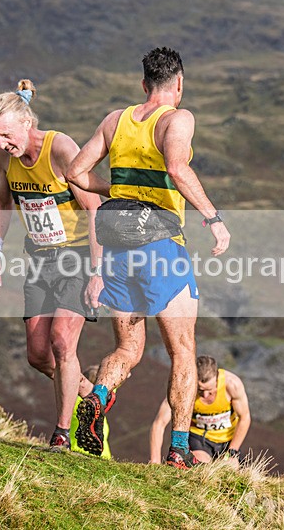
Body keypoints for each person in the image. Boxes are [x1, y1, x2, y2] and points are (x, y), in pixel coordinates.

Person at [64, 47, 231, 468]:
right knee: (183, 351)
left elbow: (75, 173)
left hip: (118, 246)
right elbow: (177, 167)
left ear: (143, 85)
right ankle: (178, 448)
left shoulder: (115, 120)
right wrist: (213, 218)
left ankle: (98, 398)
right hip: (160, 245)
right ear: (178, 83)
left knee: (128, 348)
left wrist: (119, 191)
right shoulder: (178, 118)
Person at [0, 79, 105, 450]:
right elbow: (3, 203)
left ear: (26, 123)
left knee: (62, 342)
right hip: (39, 257)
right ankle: (91, 396)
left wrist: (98, 272)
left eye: (5, 135)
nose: (2, 145)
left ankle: (62, 436)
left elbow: (94, 208)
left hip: (78, 254)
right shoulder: (6, 158)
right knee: (39, 355)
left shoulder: (60, 149)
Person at [149, 356, 251, 468]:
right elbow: (159, 423)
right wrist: (155, 461)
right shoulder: (184, 388)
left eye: (210, 390)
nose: (205, 395)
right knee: (200, 468)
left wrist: (232, 451)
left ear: (217, 379)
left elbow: (244, 417)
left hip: (227, 440)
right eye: (200, 390)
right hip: (198, 439)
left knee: (229, 468)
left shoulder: (232, 384)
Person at [70, 365, 112, 459]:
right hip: (102, 456)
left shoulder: (72, 401)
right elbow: (117, 379)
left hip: (74, 450)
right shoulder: (101, 403)